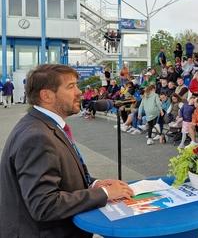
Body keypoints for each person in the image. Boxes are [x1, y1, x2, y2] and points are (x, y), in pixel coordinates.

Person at [0, 65, 134, 238]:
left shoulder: (42, 125)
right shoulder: (37, 137)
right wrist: (104, 194)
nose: (79, 92)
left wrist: (94, 184)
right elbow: (44, 205)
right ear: (46, 95)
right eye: (71, 87)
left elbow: (58, 177)